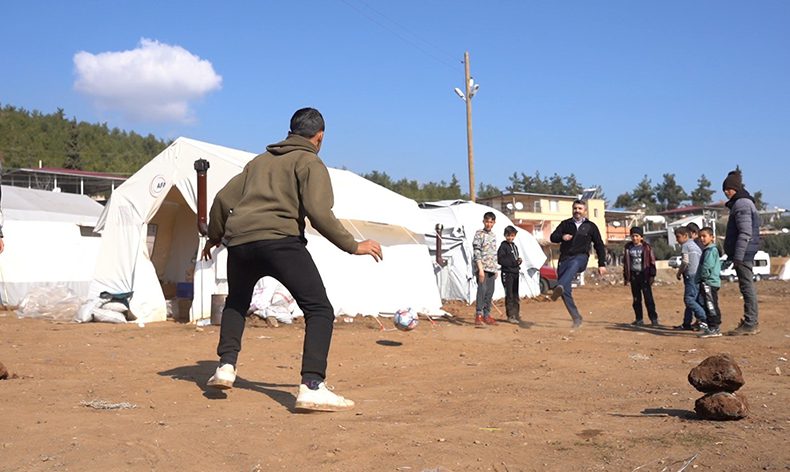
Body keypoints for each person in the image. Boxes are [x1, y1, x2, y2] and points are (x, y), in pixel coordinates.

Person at [202, 107, 383, 412]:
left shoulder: (258, 162)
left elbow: (222, 199)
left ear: (290, 131)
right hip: (280, 242)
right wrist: (353, 246)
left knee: (237, 302)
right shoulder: (309, 161)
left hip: (240, 243)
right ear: (319, 137)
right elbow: (319, 212)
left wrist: (214, 236)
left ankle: (226, 366)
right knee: (319, 309)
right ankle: (312, 386)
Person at [549, 199, 607, 328]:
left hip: (581, 257)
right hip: (564, 259)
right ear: (572, 209)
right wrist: (562, 237)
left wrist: (601, 263)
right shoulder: (565, 224)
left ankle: (559, 285)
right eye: (575, 208)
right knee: (565, 292)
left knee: (574, 263)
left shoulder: (591, 226)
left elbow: (599, 245)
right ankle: (576, 318)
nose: (577, 211)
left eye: (580, 209)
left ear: (585, 211)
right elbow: (553, 237)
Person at [721, 169, 760, 336]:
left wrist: (737, 256)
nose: (726, 192)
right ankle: (750, 321)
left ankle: (751, 323)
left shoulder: (741, 204)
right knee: (746, 286)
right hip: (745, 251)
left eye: (728, 189)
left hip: (744, 252)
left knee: (746, 287)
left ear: (735, 188)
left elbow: (745, 232)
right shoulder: (744, 202)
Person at [622, 227, 659, 326]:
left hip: (644, 276)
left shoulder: (646, 247)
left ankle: (654, 319)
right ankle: (639, 319)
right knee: (636, 299)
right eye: (633, 236)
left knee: (648, 299)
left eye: (637, 236)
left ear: (641, 237)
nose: (634, 238)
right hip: (634, 276)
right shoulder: (628, 248)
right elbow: (626, 263)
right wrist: (626, 277)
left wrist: (652, 275)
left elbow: (652, 261)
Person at [673, 226, 707, 331]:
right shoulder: (695, 246)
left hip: (691, 276)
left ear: (685, 236)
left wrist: (679, 273)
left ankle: (704, 318)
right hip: (697, 276)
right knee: (693, 299)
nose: (677, 240)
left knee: (688, 300)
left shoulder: (686, 245)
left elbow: (685, 261)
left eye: (678, 237)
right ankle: (686, 323)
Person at [472, 211, 498, 326]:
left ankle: (486, 315)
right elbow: (477, 251)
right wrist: (480, 269)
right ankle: (479, 315)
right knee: (482, 291)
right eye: (487, 221)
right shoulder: (479, 234)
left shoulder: (493, 235)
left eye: (491, 222)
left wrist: (496, 269)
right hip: (483, 268)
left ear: (494, 223)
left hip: (492, 268)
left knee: (489, 292)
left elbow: (493, 253)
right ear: (483, 221)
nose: (489, 224)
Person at [696, 227, 723, 338]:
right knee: (708, 304)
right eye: (700, 237)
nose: (702, 239)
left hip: (709, 283)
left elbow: (707, 267)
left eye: (704, 236)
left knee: (710, 305)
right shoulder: (707, 250)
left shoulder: (711, 251)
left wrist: (703, 278)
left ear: (712, 237)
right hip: (708, 282)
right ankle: (712, 327)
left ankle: (714, 328)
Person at [497, 225, 522, 324]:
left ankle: (516, 313)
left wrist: (518, 261)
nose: (510, 238)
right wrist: (513, 263)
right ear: (505, 235)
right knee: (509, 294)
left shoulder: (514, 246)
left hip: (515, 272)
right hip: (507, 273)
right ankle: (510, 315)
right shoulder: (503, 246)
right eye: (508, 236)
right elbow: (500, 260)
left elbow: (515, 257)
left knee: (515, 294)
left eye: (512, 236)